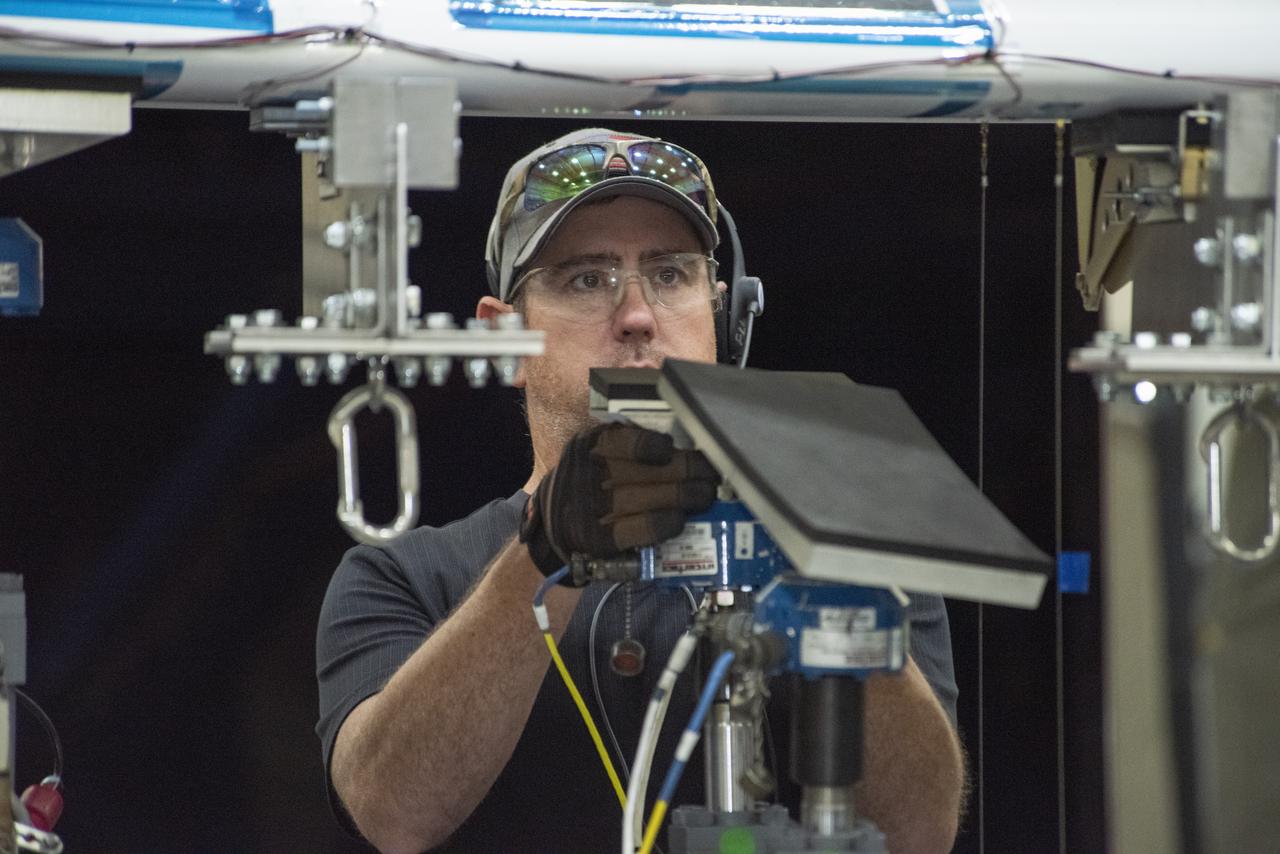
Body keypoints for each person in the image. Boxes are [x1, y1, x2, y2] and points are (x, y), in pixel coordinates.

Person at [316, 128, 964, 854]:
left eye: (670, 274)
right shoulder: (403, 577)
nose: (636, 317)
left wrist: (844, 580)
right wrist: (542, 555)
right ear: (504, 342)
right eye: (585, 279)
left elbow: (920, 834)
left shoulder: (848, 545)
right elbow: (393, 813)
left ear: (725, 318)